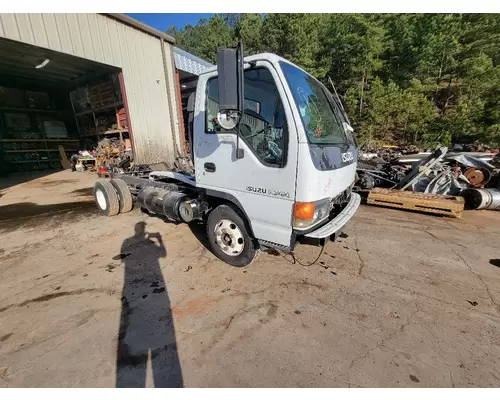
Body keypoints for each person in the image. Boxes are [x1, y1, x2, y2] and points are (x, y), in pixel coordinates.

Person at [116, 222, 183, 387]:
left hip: (133, 287)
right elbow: (163, 253)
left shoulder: (126, 242)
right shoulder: (145, 242)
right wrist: (159, 239)